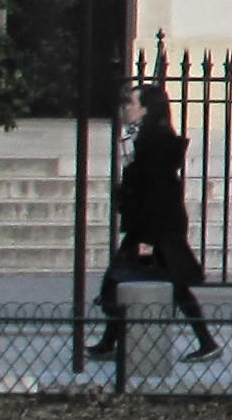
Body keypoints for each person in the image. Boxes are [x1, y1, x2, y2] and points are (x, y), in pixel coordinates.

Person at [92, 84, 217, 361]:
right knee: (135, 279)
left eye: (132, 103)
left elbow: (156, 191)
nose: (127, 108)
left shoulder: (156, 142)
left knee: (123, 278)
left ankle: (206, 343)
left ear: (147, 109)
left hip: (154, 227)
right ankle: (108, 342)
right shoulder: (144, 138)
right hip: (151, 225)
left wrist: (147, 239)